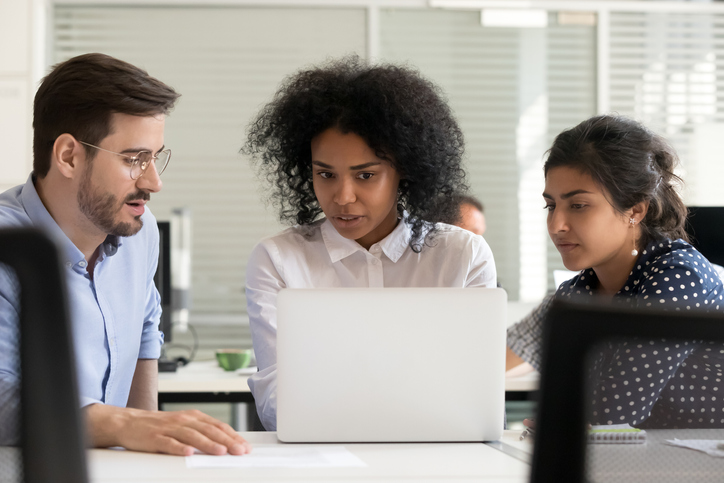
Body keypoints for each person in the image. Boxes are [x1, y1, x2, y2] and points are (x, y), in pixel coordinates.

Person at [0, 53, 251, 455]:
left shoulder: (141, 231)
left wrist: (151, 442)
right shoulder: (7, 249)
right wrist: (123, 425)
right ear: (68, 156)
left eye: (155, 157)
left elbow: (146, 327)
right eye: (135, 159)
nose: (154, 181)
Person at [243, 56, 497, 431]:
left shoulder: (461, 256)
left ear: (405, 170)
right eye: (325, 174)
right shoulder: (279, 259)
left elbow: (476, 395)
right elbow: (279, 402)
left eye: (365, 175)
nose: (343, 197)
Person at [507, 114, 724, 428]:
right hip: (633, 465)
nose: (556, 226)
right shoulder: (576, 293)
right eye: (551, 206)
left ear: (635, 210)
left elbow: (611, 416)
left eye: (578, 205)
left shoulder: (678, 275)